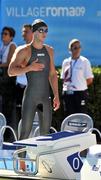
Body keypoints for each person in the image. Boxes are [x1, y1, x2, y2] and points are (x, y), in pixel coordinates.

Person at [8, 19, 60, 168]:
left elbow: (52, 74)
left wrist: (56, 94)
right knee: (25, 131)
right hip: (31, 97)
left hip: (45, 98)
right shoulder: (24, 50)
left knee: (45, 134)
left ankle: (43, 166)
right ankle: (21, 165)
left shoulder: (49, 50)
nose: (44, 33)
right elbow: (11, 71)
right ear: (34, 32)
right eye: (41, 30)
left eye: (46, 30)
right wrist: (29, 67)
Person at [61, 39, 94, 117]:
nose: (78, 49)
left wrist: (79, 86)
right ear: (70, 49)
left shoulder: (84, 61)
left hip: (80, 93)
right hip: (67, 93)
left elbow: (89, 79)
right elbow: (63, 79)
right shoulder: (65, 62)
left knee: (81, 116)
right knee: (68, 116)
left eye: (79, 47)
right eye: (75, 47)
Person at [0, 26, 17, 141]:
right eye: (2, 33)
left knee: (7, 109)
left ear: (11, 37)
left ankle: (7, 137)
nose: (3, 35)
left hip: (8, 81)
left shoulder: (12, 46)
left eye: (6, 34)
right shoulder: (2, 46)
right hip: (2, 80)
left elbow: (9, 63)